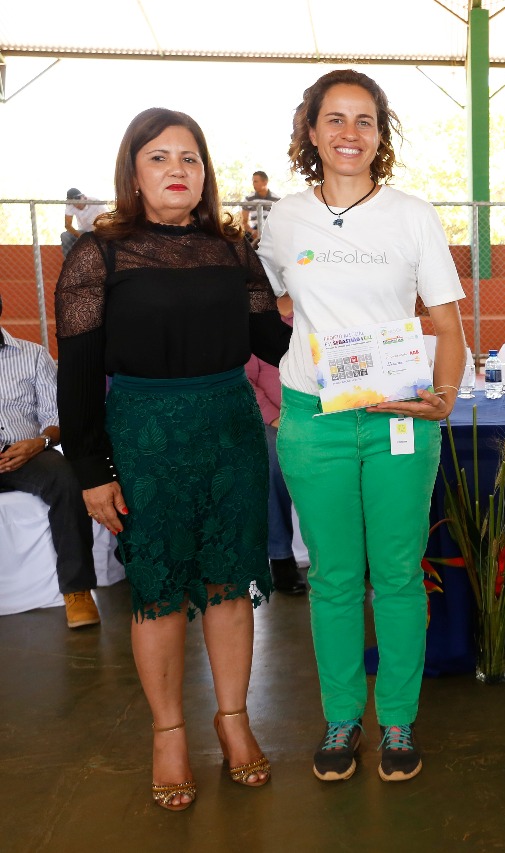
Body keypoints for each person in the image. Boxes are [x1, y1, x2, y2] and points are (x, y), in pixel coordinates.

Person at [56, 107, 290, 810]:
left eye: (189, 157)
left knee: (228, 583)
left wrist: (340, 304)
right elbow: (77, 373)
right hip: (144, 437)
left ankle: (233, 720)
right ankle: (167, 732)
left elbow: (273, 343)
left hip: (230, 431)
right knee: (156, 592)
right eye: (158, 157)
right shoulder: (99, 254)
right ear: (133, 172)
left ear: (206, 173)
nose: (177, 170)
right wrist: (92, 471)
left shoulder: (232, 249)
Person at [257, 68, 466, 785]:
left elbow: (447, 326)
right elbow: (273, 304)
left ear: (381, 135)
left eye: (365, 120)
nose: (350, 133)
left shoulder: (412, 216)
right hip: (313, 422)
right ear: (311, 133)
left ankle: (398, 718)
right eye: (335, 119)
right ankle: (342, 717)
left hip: (397, 419)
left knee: (399, 575)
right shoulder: (283, 220)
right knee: (336, 578)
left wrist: (443, 395)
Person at [0, 293, 99, 628]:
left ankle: (78, 591)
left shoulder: (32, 355)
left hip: (27, 453)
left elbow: (57, 419)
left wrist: (37, 444)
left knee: (66, 480)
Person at [244, 295, 306, 595]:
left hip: (324, 415)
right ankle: (281, 557)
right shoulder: (254, 318)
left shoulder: (318, 310)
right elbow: (245, 381)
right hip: (273, 419)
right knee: (271, 456)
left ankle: (354, 553)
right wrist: (274, 417)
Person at [60, 189, 108, 258]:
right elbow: (67, 225)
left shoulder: (96, 202)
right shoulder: (70, 206)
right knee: (65, 236)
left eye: (78, 202)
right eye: (74, 204)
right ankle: (69, 261)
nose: (77, 205)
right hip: (83, 232)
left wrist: (97, 232)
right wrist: (80, 236)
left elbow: (107, 219)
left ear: (84, 197)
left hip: (99, 231)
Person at [240, 170, 279, 246]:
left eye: (255, 181)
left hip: (270, 231)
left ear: (265, 182)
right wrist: (252, 231)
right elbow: (244, 221)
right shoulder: (249, 199)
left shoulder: (277, 200)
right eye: (253, 181)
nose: (253, 184)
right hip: (254, 231)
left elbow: (280, 221)